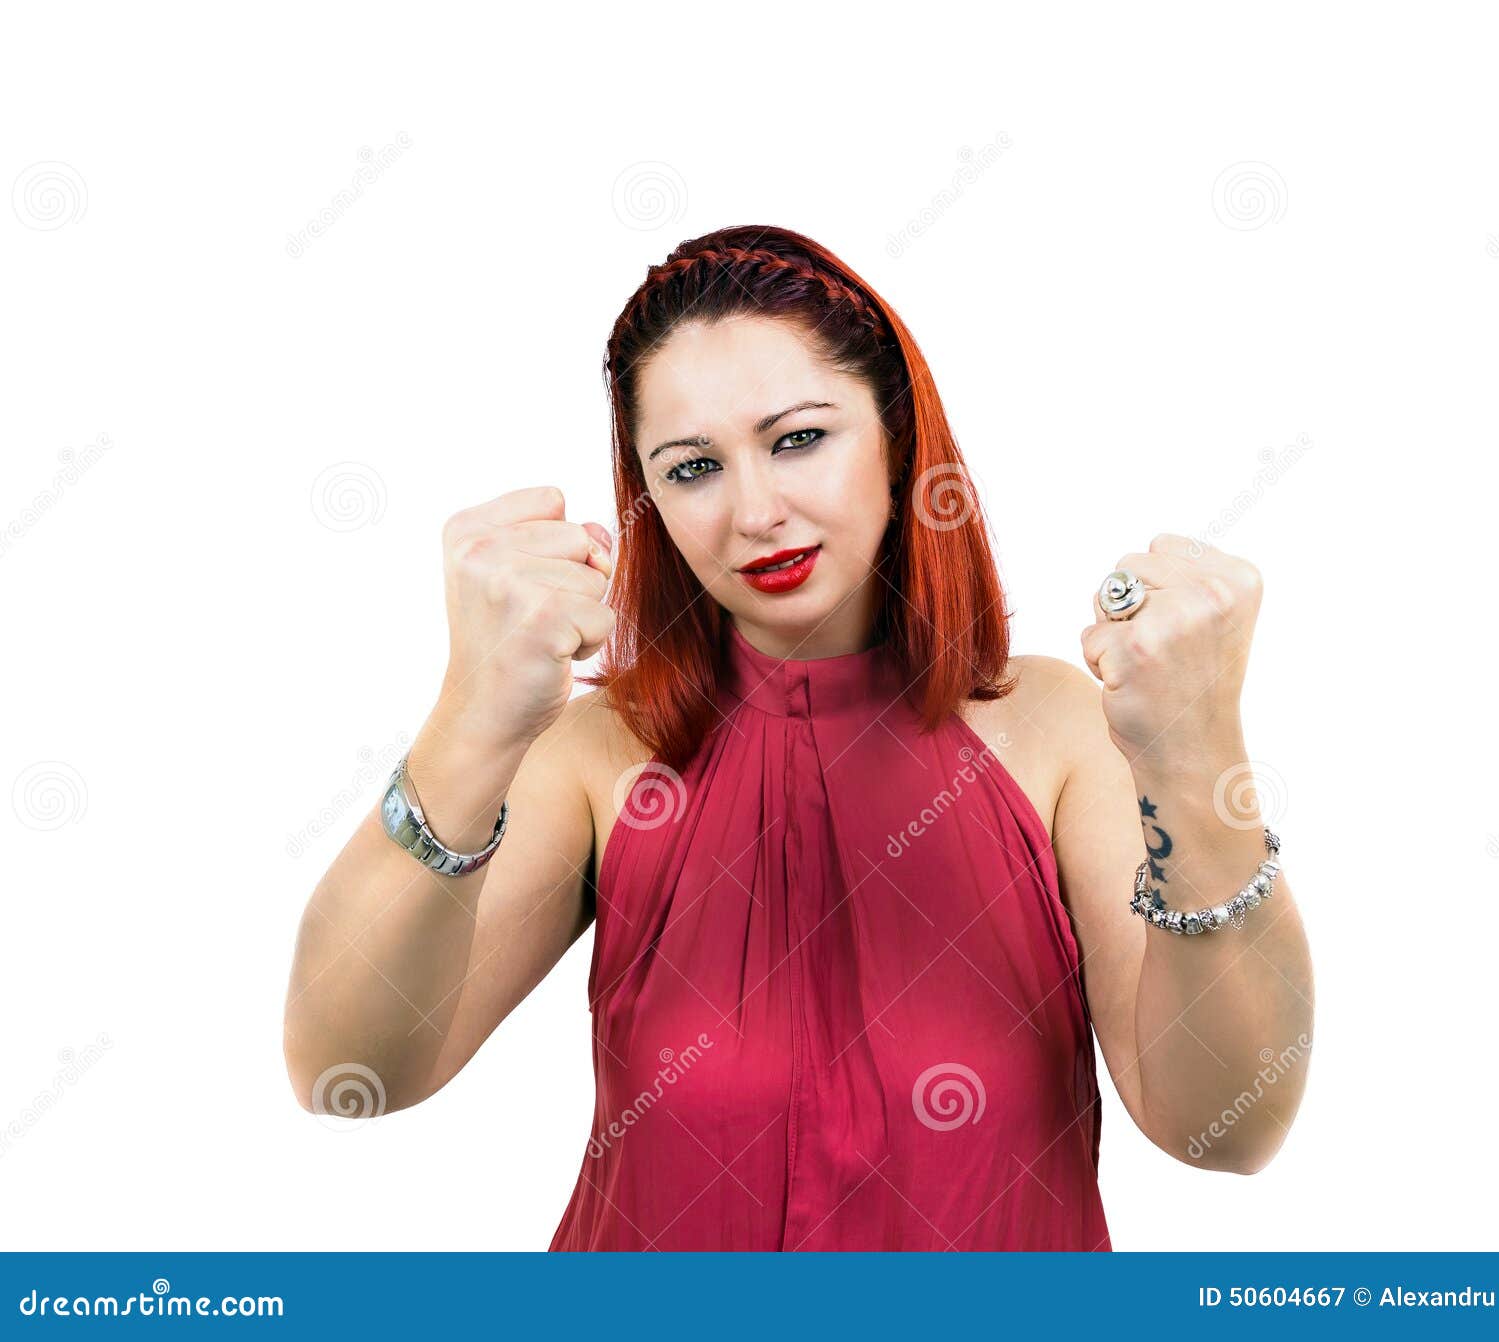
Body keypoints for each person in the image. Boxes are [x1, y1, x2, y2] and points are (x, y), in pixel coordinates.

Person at [282, 224, 1314, 1251]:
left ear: (899, 435)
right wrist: (471, 718)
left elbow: (1225, 1128)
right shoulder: (602, 756)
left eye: (797, 439)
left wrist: (1197, 760)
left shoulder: (1058, 734)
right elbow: (348, 1070)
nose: (755, 512)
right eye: (692, 469)